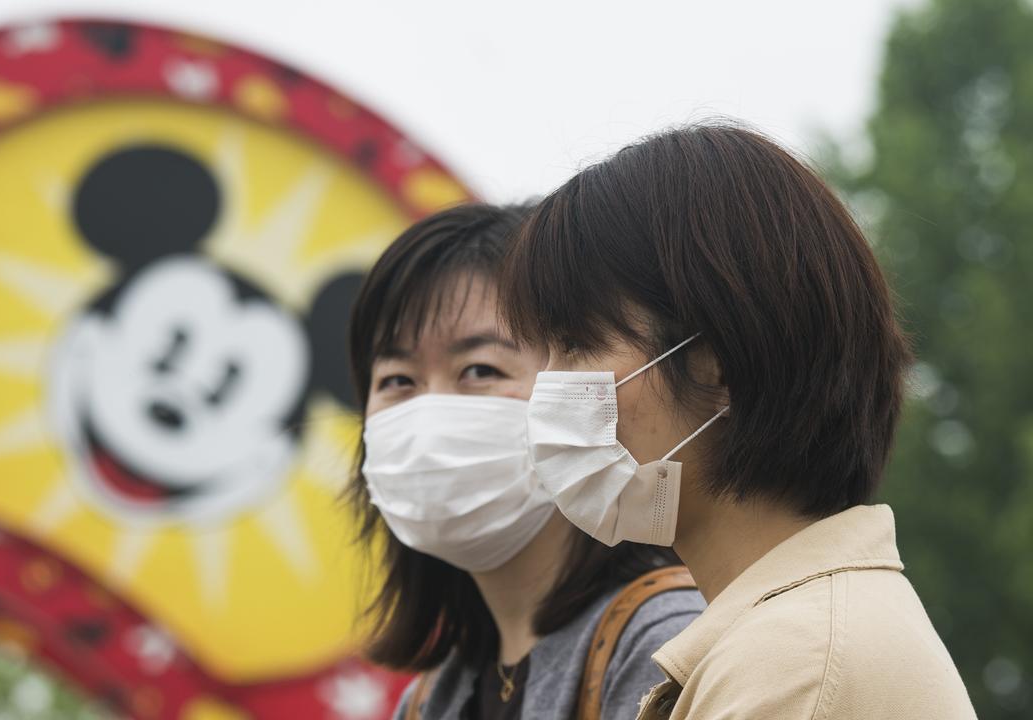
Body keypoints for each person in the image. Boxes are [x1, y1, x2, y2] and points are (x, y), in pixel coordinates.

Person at [498, 123, 977, 719]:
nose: (547, 389)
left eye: (574, 345)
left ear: (717, 366)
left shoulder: (797, 664)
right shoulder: (794, 636)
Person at [346, 203, 704, 720]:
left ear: (574, 386)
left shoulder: (666, 648)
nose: (429, 417)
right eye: (398, 380)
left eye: (479, 368)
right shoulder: (431, 699)